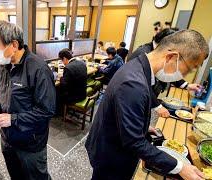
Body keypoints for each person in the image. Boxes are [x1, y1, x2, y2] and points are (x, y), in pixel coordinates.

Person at [85, 30, 209, 180]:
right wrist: (180, 167)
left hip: (111, 140)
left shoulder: (139, 65)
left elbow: (124, 110)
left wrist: (142, 125)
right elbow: (134, 142)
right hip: (111, 154)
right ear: (171, 57)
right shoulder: (133, 83)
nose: (185, 75)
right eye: (189, 69)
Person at [0, 20, 56, 180]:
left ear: (14, 45)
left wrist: (13, 119)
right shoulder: (3, 65)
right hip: (8, 139)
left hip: (30, 143)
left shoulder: (38, 69)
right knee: (16, 176)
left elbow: (47, 111)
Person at [129, 28, 202, 118]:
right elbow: (143, 85)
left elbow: (170, 72)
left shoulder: (159, 52)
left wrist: (187, 85)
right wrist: (157, 106)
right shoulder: (143, 54)